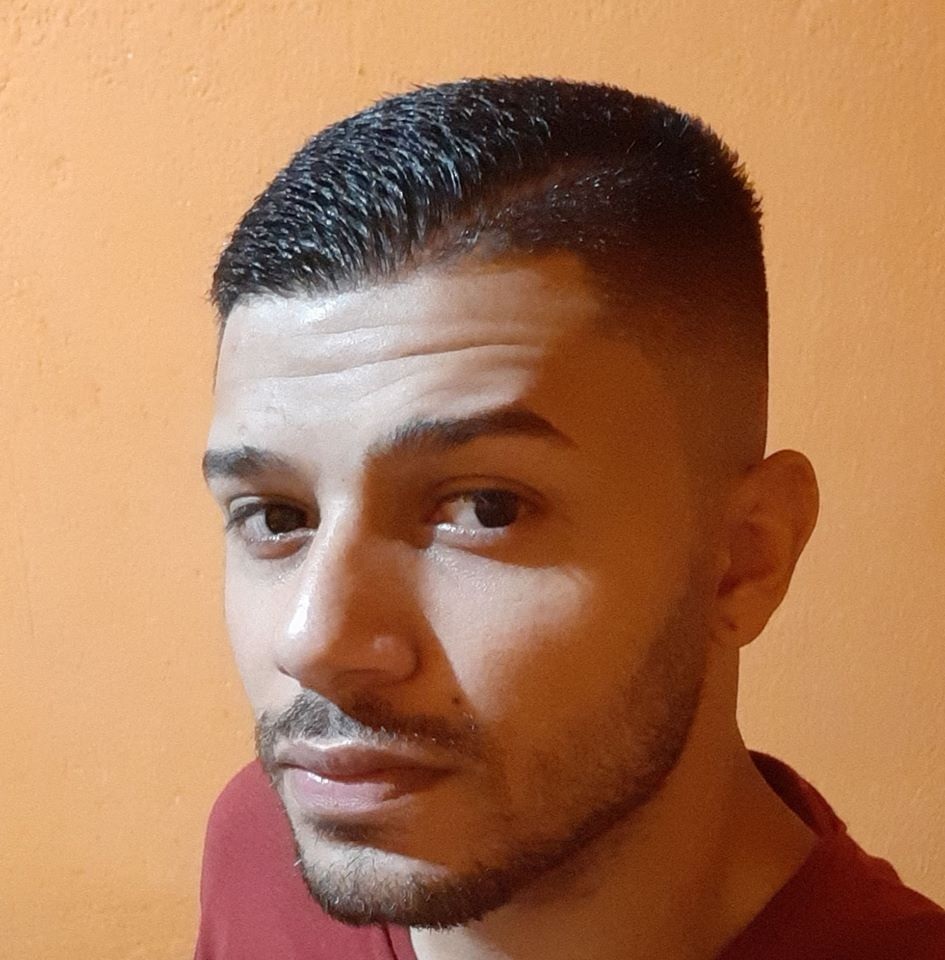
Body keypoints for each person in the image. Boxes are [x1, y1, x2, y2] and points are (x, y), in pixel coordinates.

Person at [195, 77, 944, 960]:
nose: (313, 642)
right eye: (276, 515)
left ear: (744, 558)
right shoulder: (264, 844)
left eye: (486, 507)